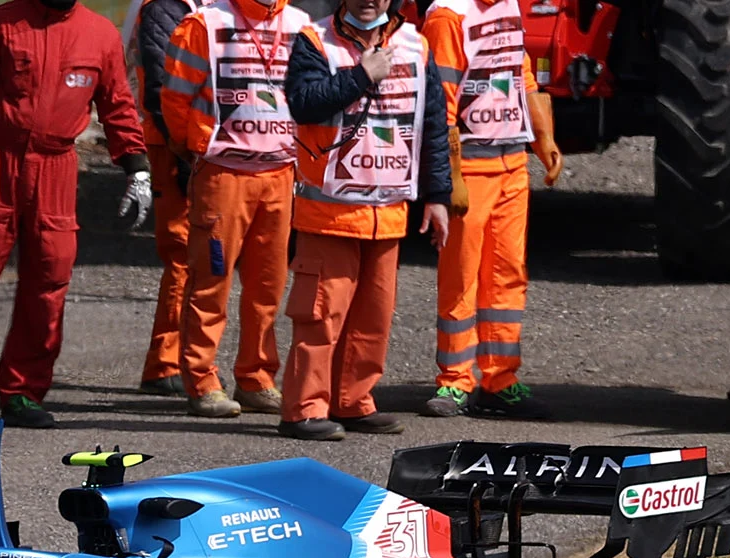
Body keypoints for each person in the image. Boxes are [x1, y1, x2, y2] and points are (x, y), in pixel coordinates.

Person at [0, 0, 153, 430]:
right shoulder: (1, 24)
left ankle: (24, 393)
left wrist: (137, 171)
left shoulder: (99, 34)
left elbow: (118, 106)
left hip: (57, 167)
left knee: (51, 276)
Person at [279, 0, 452, 440]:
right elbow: (303, 104)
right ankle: (303, 410)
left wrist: (437, 196)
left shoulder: (417, 45)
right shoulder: (314, 41)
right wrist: (360, 77)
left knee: (373, 318)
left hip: (388, 211)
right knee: (321, 316)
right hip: (330, 211)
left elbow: (433, 123)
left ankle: (353, 401)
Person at [162, 0, 312, 420]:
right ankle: (202, 381)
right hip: (223, 174)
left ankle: (256, 378)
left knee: (268, 286)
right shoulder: (205, 24)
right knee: (211, 281)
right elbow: (174, 99)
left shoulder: (301, 24)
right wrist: (194, 146)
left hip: (280, 174)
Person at [419, 0, 562, 420]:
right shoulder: (449, 16)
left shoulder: (509, 7)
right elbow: (437, 103)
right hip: (473, 166)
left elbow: (522, 76)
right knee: (461, 274)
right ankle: (455, 382)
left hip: (511, 163)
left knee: (507, 275)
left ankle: (501, 380)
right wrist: (449, 175)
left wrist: (544, 137)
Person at [133, 0, 199, 397]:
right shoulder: (165, 8)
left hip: (194, 145)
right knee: (183, 253)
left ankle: (180, 361)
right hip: (173, 145)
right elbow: (161, 86)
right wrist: (184, 149)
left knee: (198, 258)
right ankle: (165, 363)